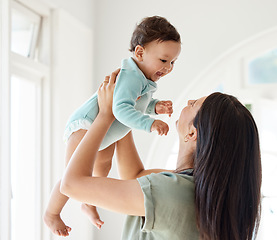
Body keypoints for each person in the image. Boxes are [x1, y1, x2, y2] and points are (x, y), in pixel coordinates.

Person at [60, 70, 262, 240]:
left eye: (193, 105)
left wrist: (105, 115)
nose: (189, 101)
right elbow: (134, 175)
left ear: (192, 133)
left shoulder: (170, 191)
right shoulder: (191, 187)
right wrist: (123, 109)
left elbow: (71, 185)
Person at [44, 16, 181, 236]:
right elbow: (121, 109)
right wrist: (150, 123)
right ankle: (51, 214)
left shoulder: (145, 78)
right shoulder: (131, 77)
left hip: (108, 131)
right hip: (86, 126)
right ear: (139, 53)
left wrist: (155, 107)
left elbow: (138, 102)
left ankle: (88, 202)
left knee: (101, 171)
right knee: (74, 175)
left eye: (173, 62)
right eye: (164, 60)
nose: (168, 68)